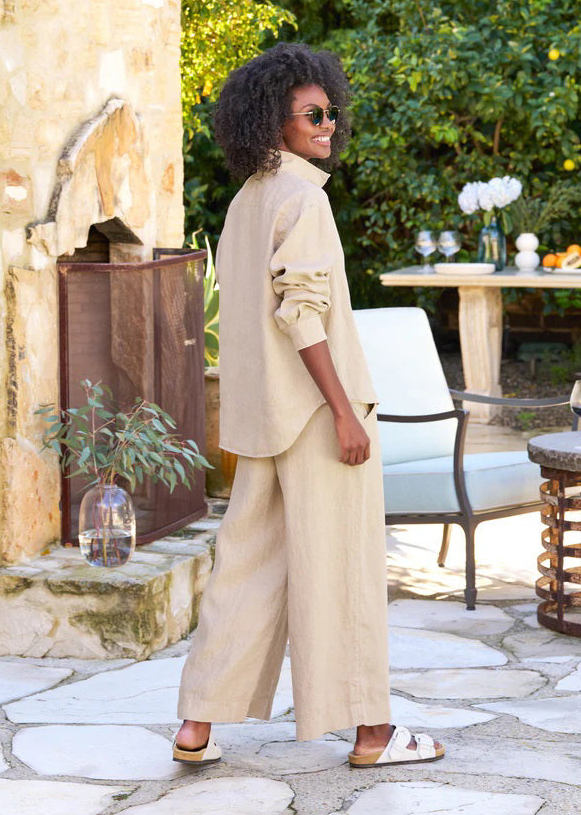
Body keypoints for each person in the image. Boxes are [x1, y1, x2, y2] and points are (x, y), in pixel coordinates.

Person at [175, 42, 444, 769]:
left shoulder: (246, 201)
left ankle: (195, 722)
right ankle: (372, 733)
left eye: (330, 111)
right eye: (311, 114)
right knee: (344, 573)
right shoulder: (304, 199)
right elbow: (303, 312)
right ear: (275, 124)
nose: (328, 124)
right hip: (319, 421)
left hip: (262, 420)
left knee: (244, 572)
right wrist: (345, 412)